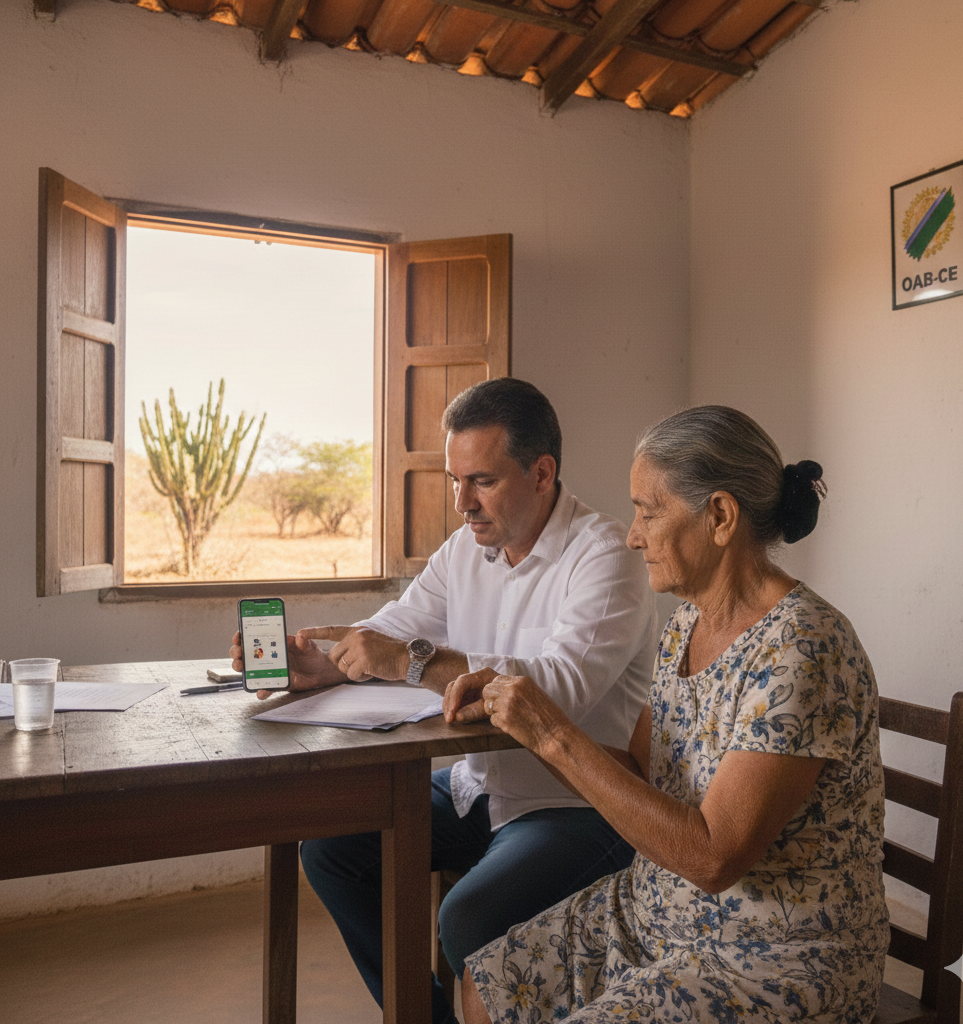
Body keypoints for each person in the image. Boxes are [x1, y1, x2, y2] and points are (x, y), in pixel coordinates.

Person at [231, 378, 658, 1024]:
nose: (462, 502)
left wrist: (411, 661)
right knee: (329, 851)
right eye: (455, 481)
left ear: (542, 473)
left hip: (577, 801)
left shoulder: (604, 558)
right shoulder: (467, 549)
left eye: (481, 481)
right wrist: (321, 668)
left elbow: (556, 689)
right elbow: (395, 631)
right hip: (478, 785)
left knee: (467, 919)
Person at [450, 405, 889, 1024]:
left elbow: (715, 856)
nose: (633, 535)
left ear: (719, 516)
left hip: (772, 957)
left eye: (648, 512)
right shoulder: (687, 622)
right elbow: (640, 765)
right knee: (487, 981)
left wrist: (552, 735)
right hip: (658, 911)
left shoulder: (803, 648)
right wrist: (523, 726)